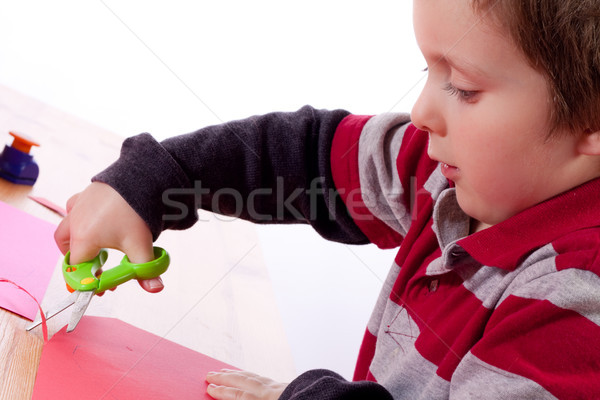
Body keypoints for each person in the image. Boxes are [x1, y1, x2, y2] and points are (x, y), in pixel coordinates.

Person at [55, 0, 600, 398]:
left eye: (462, 87)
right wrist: (157, 179)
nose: (420, 113)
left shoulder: (578, 300)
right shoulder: (444, 170)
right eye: (427, 71)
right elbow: (304, 158)